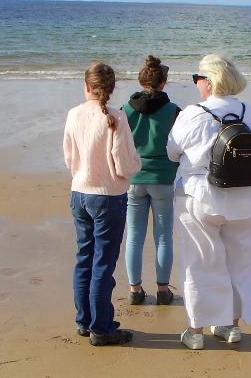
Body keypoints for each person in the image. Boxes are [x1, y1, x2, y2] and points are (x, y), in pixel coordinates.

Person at [167, 54, 251, 350]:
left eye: (197, 79)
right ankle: (230, 326)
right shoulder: (247, 110)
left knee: (200, 262)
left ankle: (196, 331)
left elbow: (172, 150)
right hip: (244, 196)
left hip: (199, 196)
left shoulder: (194, 113)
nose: (196, 84)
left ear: (208, 82)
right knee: (238, 262)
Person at [63, 62, 141, 346]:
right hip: (108, 196)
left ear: (86, 87)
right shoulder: (117, 118)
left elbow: (69, 159)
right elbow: (124, 165)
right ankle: (102, 328)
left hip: (80, 192)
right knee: (102, 265)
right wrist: (137, 164)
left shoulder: (74, 114)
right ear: (110, 89)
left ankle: (85, 321)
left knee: (84, 258)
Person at [122, 55, 181, 306]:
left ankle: (135, 290)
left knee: (134, 236)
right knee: (164, 236)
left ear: (141, 80)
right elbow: (179, 144)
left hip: (135, 177)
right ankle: (163, 289)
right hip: (163, 177)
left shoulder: (125, 109)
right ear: (164, 83)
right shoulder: (173, 110)